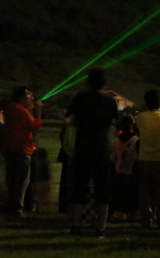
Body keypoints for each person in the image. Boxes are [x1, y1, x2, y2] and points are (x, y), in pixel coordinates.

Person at [67, 68, 118, 237]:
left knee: (79, 187)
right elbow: (112, 121)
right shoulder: (110, 102)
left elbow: (71, 119)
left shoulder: (80, 98)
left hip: (82, 146)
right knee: (103, 188)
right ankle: (100, 227)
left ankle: (76, 224)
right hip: (101, 147)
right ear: (104, 83)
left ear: (87, 82)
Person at [135, 89, 160, 229]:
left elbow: (138, 131)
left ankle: (145, 219)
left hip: (144, 158)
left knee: (144, 191)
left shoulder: (140, 117)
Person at [2, 86, 42, 216]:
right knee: (22, 181)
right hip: (22, 149)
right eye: (28, 97)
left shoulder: (10, 108)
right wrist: (38, 112)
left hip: (9, 148)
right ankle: (17, 208)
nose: (31, 99)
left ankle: (9, 205)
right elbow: (35, 126)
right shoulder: (20, 110)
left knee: (12, 179)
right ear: (22, 98)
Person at [113, 114, 139, 221]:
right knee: (132, 193)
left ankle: (121, 214)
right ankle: (132, 213)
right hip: (132, 170)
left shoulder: (117, 139)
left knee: (121, 194)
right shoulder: (135, 139)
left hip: (119, 170)